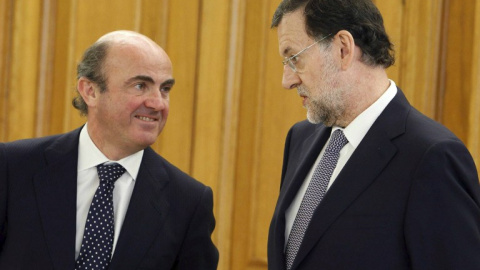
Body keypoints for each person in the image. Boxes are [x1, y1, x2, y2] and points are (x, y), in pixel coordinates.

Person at [267, 0, 480, 269]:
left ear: (343, 49)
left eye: (294, 58)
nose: (287, 80)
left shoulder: (433, 157)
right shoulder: (300, 138)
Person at [0, 30, 218, 269]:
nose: (157, 103)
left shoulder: (188, 201)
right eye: (140, 85)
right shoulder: (12, 168)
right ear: (90, 91)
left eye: (164, 89)